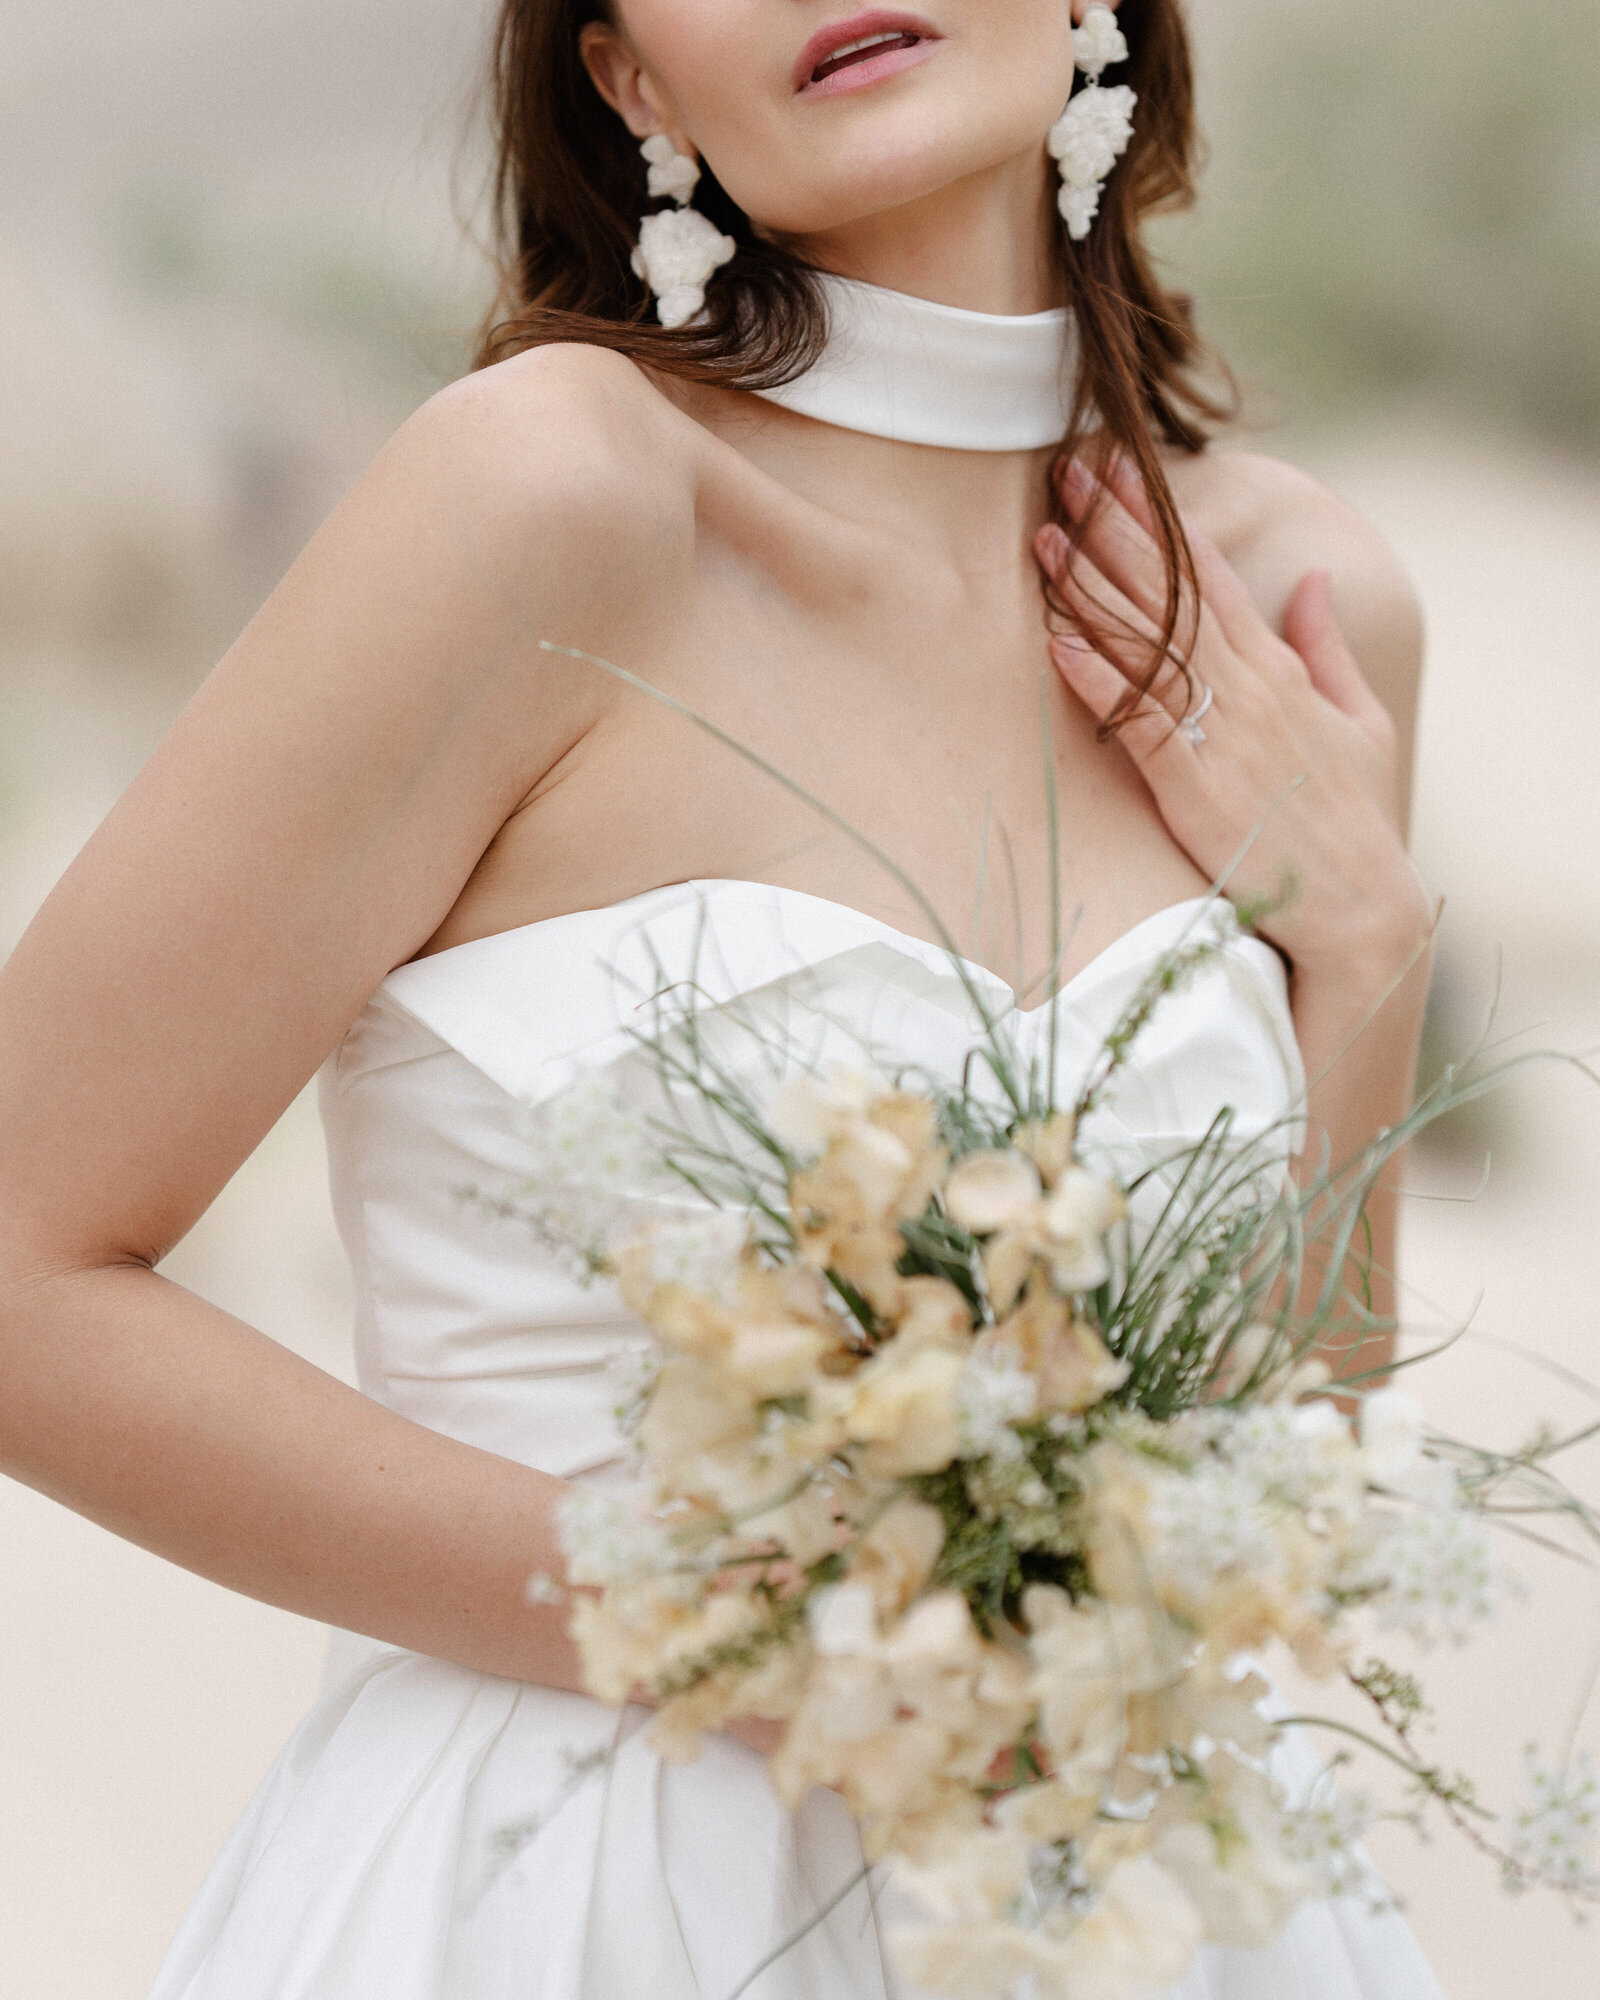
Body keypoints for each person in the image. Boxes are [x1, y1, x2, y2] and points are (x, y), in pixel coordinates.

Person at [0, 0, 1444, 1992]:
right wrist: (732, 1619)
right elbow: (17, 1266)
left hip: (1155, 1909)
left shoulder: (1304, 609)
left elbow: (1287, 1486)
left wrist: (1366, 955)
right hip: (579, 1899)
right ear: (628, 82)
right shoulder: (545, 508)